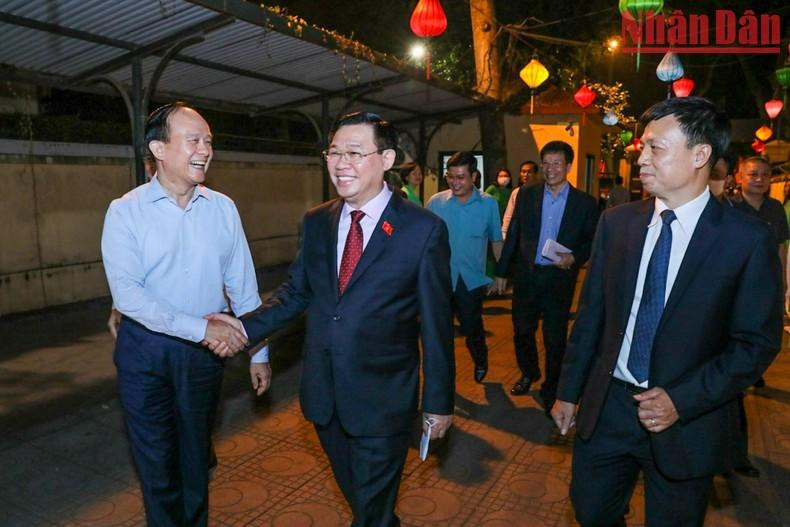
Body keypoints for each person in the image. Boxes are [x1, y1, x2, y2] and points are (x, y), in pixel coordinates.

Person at [208, 112, 455, 526]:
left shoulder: (422, 229)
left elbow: (436, 324)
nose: (341, 163)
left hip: (383, 400)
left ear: (387, 158)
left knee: (370, 513)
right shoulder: (317, 221)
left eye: (355, 153)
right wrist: (242, 328)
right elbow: (295, 293)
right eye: (334, 153)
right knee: (365, 504)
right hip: (324, 397)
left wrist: (438, 402)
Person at [551, 97, 783, 526]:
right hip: (609, 407)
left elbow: (755, 344)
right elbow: (592, 316)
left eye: (655, 148)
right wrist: (568, 390)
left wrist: (682, 399)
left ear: (700, 155)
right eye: (642, 147)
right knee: (591, 511)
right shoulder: (617, 223)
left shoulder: (746, 239)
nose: (641, 158)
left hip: (686, 419)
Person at [101, 102, 265, 526]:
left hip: (202, 357)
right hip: (146, 352)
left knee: (196, 456)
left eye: (209, 141)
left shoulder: (223, 208)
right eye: (193, 140)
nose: (205, 149)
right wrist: (204, 328)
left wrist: (259, 353)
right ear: (159, 147)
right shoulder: (125, 211)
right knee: (156, 463)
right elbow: (129, 297)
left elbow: (242, 281)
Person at [494, 141, 598, 413]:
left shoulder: (584, 204)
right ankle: (529, 372)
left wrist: (574, 257)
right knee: (522, 329)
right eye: (547, 163)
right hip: (527, 276)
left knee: (554, 338)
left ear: (568, 166)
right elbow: (514, 234)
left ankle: (552, 387)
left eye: (557, 164)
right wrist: (502, 272)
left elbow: (591, 241)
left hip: (559, 279)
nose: (551, 169)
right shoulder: (527, 195)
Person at [427, 152, 504, 383]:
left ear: (473, 176)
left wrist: (501, 273)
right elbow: (424, 241)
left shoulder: (488, 205)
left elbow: (496, 240)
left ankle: (480, 358)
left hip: (470, 279)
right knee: (440, 332)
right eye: (450, 177)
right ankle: (443, 376)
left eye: (460, 177)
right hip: (440, 278)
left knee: (471, 328)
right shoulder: (436, 202)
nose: (455, 182)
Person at [502, 161, 539, 237]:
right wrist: (504, 233)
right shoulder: (516, 192)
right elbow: (509, 215)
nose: (525, 175)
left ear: (535, 174)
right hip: (520, 233)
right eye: (523, 172)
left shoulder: (541, 191)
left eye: (529, 172)